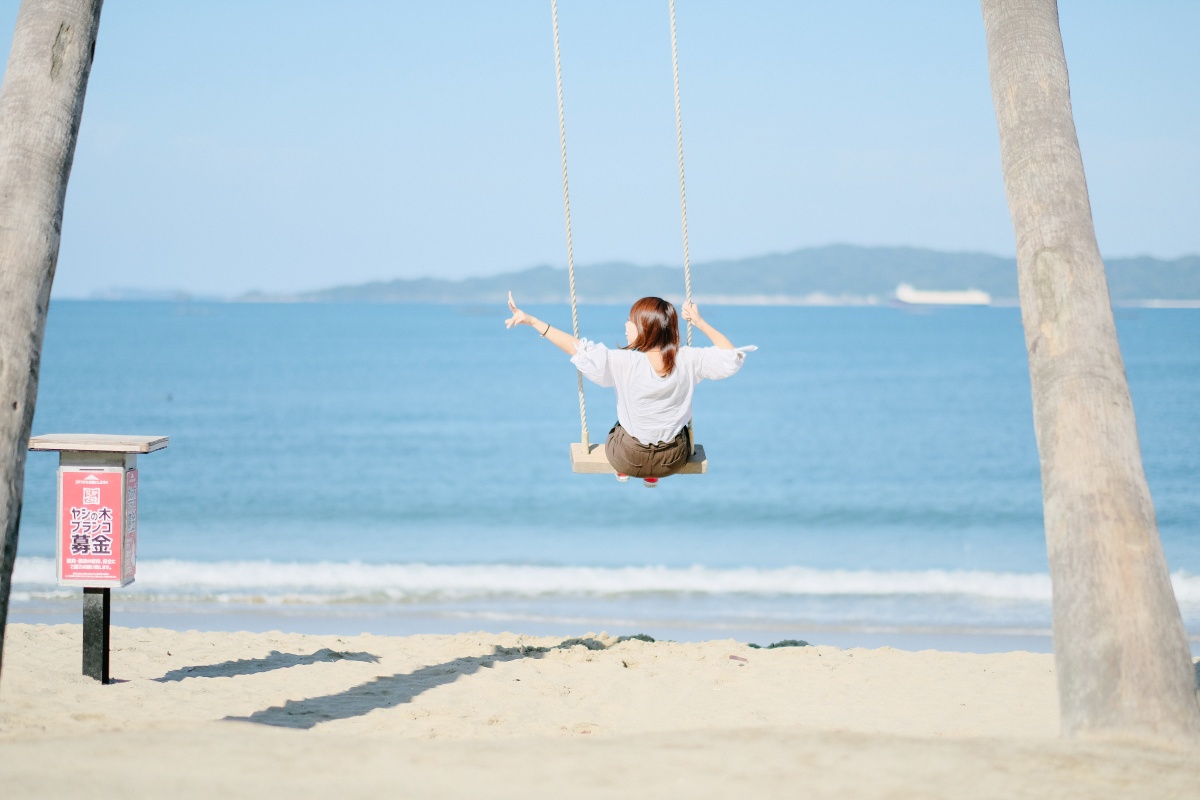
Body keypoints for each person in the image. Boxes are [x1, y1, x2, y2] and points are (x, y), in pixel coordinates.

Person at [505, 291, 752, 487]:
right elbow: (730, 357)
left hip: (628, 457)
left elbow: (575, 348)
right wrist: (699, 322)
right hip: (672, 460)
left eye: (630, 321)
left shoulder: (624, 362)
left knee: (619, 426)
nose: (625, 325)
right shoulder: (687, 359)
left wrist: (533, 321)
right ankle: (653, 475)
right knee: (676, 429)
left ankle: (627, 472)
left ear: (645, 327)